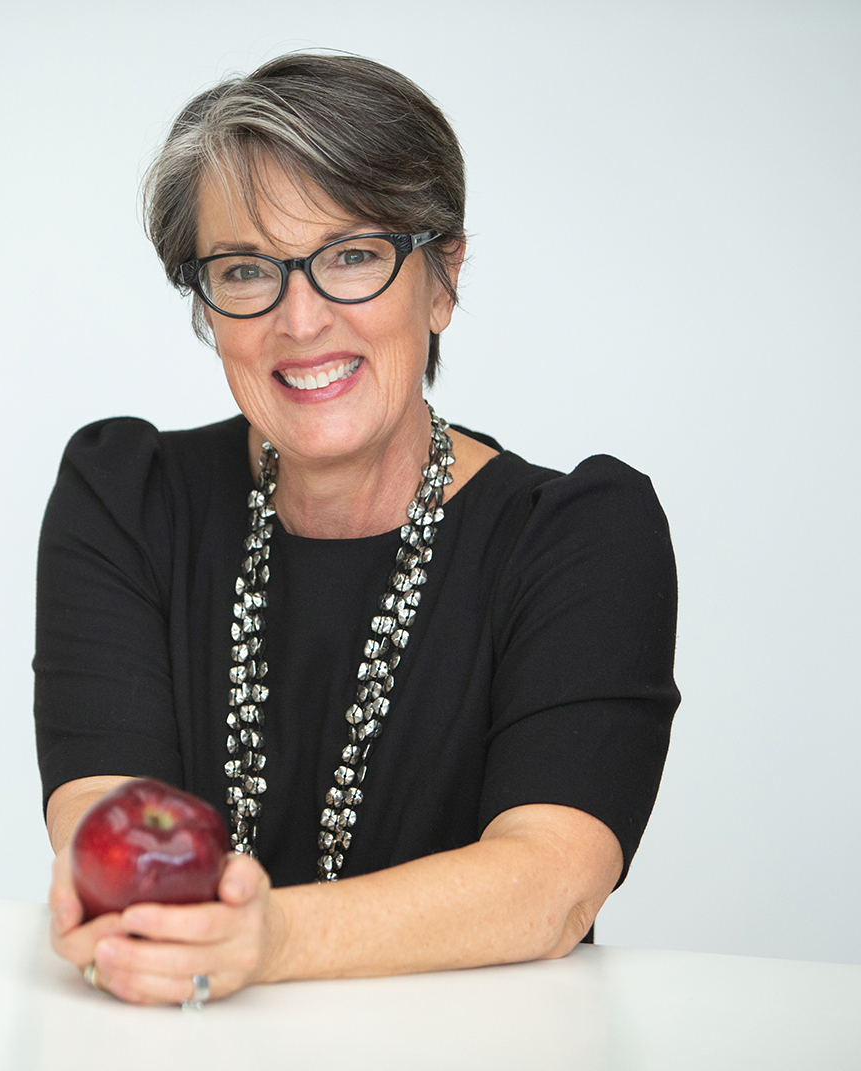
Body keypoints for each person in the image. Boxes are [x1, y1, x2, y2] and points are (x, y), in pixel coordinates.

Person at [34, 52, 679, 1007]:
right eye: (247, 269)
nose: (301, 320)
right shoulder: (126, 499)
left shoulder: (579, 537)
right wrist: (136, 915)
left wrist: (269, 937)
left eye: (352, 256)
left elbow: (551, 881)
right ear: (209, 309)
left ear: (443, 278)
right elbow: (108, 820)